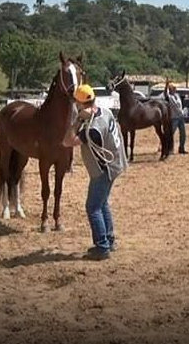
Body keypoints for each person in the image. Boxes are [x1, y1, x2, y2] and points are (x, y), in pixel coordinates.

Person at [63, 84, 128, 260]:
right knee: (102, 203)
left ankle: (102, 246)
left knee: (92, 207)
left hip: (103, 170)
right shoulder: (105, 112)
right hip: (116, 164)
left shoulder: (91, 129)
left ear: (79, 103)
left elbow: (67, 141)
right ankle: (109, 239)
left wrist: (77, 121)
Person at [166, 83, 188, 154]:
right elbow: (175, 106)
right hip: (174, 117)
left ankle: (181, 148)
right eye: (174, 88)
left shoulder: (177, 96)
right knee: (171, 133)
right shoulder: (169, 97)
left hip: (180, 117)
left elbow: (179, 106)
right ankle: (168, 148)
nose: (175, 89)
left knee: (183, 134)